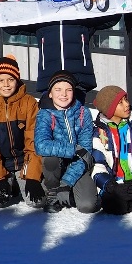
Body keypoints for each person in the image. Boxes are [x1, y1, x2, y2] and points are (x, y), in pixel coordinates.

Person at [20, 0, 119, 104]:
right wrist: (9, 0)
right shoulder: (41, 14)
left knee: (76, 120)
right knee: (50, 121)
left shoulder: (82, 12)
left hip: (78, 79)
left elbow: (111, 18)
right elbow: (12, 28)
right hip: (50, 79)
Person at [0, 55, 43, 209]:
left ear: (17, 80)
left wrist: (33, 177)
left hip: (23, 162)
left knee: (37, 201)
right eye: (0, 80)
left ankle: (21, 181)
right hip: (2, 164)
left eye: (11, 80)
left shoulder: (29, 103)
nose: (6, 85)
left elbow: (34, 142)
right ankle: (9, 182)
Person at [34, 71, 99, 213]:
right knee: (50, 159)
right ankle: (52, 190)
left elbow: (85, 152)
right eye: (58, 89)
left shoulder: (83, 113)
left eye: (68, 90)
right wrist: (73, 149)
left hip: (78, 164)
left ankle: (64, 190)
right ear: (50, 93)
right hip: (56, 164)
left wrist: (66, 183)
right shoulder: (44, 113)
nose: (63, 94)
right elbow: (41, 145)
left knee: (88, 205)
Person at [91, 85, 132, 216]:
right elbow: (98, 164)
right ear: (109, 109)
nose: (127, 104)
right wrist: (110, 186)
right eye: (120, 103)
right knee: (116, 208)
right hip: (113, 182)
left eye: (126, 99)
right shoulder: (99, 132)